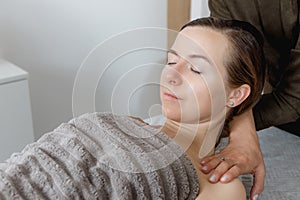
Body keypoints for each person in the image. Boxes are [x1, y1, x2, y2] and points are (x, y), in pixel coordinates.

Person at [0, 17, 264, 199]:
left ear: (236, 94)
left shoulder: (219, 185)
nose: (171, 76)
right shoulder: (130, 122)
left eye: (195, 69)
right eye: (171, 62)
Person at [200, 1, 300, 200]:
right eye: (171, 60)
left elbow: (293, 97)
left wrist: (241, 131)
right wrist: (241, 129)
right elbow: (235, 71)